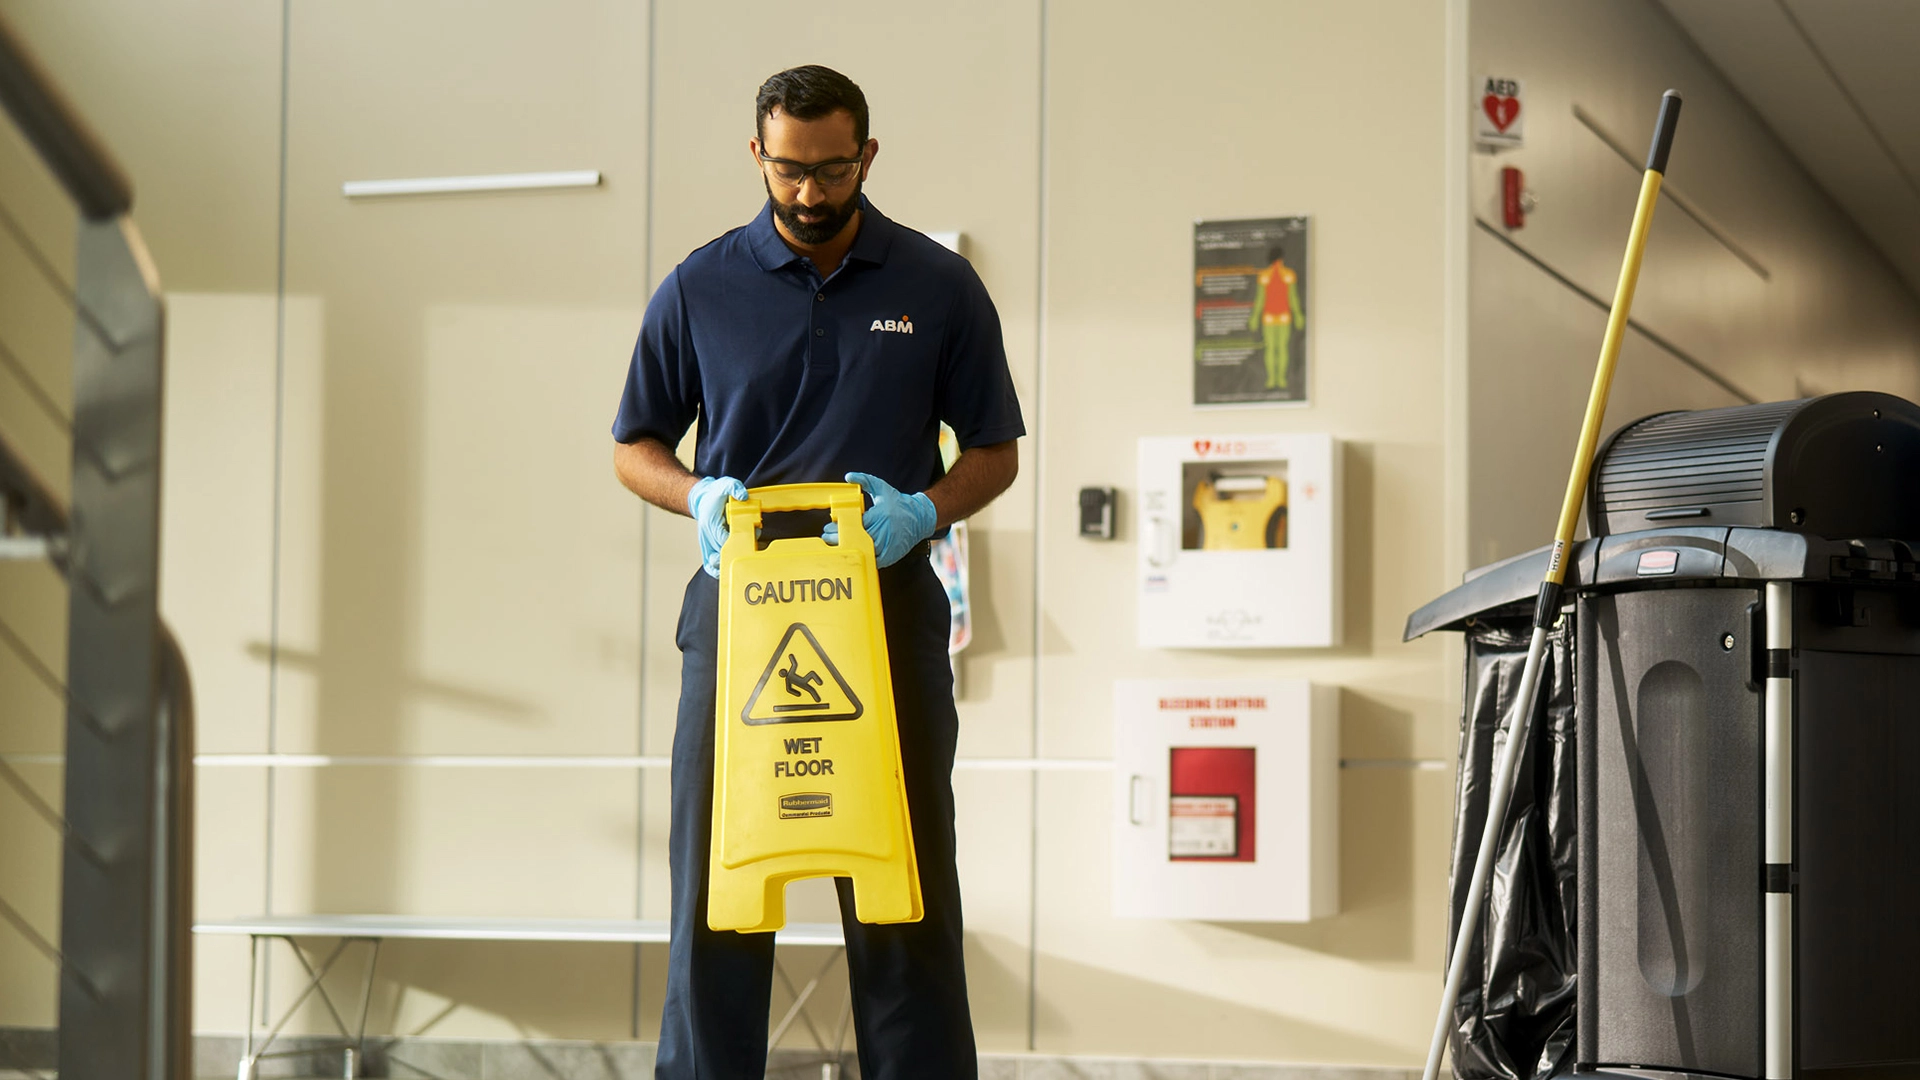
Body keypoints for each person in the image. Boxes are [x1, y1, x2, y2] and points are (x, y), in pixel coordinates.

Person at [610, 64, 1023, 1079]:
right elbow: (636, 444)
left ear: (866, 157)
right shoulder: (701, 286)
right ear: (758, 154)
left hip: (885, 618)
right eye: (788, 169)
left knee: (904, 893)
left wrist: (924, 511)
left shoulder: (935, 285)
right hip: (741, 621)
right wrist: (697, 496)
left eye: (830, 170)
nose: (806, 194)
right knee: (720, 886)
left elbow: (996, 448)